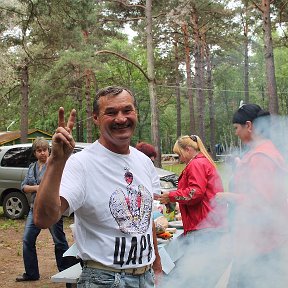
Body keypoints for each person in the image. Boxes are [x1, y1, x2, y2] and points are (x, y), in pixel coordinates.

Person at [33, 86, 162, 288]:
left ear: (135, 112)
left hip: (145, 277)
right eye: (111, 112)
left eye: (127, 110)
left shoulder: (144, 162)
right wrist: (56, 162)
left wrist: (156, 264)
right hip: (105, 279)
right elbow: (43, 218)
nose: (121, 119)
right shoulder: (82, 163)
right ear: (95, 118)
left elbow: (147, 219)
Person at [216, 104, 288, 288]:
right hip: (263, 243)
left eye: (236, 128)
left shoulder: (261, 157)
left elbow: (262, 203)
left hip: (259, 246)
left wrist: (230, 196)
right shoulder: (264, 152)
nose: (235, 133)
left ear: (249, 125)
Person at [157, 135, 227, 288]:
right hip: (209, 224)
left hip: (203, 227)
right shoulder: (203, 161)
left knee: (196, 276)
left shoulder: (196, 164)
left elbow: (194, 192)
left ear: (188, 149)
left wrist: (171, 196)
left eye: (180, 154)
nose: (180, 159)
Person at [16, 137, 70, 282]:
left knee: (59, 241)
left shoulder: (53, 166)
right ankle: (31, 274)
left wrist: (37, 189)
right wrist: (38, 188)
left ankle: (66, 273)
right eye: (39, 150)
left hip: (52, 209)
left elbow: (59, 186)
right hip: (34, 210)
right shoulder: (32, 167)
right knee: (27, 240)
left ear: (49, 150)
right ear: (35, 153)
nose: (42, 153)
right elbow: (23, 187)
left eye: (45, 150)